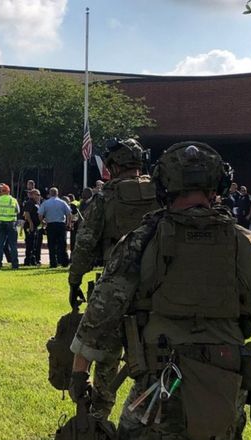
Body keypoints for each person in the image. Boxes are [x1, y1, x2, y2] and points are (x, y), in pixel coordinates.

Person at [69, 141, 251, 440]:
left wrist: (79, 375)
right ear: (219, 186)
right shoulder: (248, 243)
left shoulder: (141, 241)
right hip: (225, 385)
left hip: (160, 384)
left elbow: (99, 316)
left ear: (163, 185)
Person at [67, 138, 159, 417]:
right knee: (156, 351)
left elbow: (85, 243)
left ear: (113, 166)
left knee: (106, 351)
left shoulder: (106, 197)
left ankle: (99, 415)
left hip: (116, 282)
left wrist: (74, 280)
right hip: (159, 285)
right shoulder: (161, 193)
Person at [38, 187, 72, 268]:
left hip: (51, 225)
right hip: (61, 225)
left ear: (50, 193)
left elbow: (40, 214)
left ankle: (53, 263)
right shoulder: (62, 202)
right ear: (57, 193)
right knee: (62, 244)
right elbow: (69, 213)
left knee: (51, 245)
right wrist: (68, 223)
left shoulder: (46, 203)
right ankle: (64, 262)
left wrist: (43, 222)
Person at [0, 183, 20, 269]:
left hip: (0, 223)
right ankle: (15, 264)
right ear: (8, 191)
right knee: (13, 245)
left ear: (1, 191)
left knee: (0, 244)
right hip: (11, 223)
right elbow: (18, 211)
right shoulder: (13, 200)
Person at [22, 188, 42, 266]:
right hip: (30, 225)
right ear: (33, 195)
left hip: (35, 226)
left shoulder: (36, 203)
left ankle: (33, 260)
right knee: (30, 243)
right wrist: (30, 223)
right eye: (37, 195)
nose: (39, 196)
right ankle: (28, 260)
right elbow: (26, 213)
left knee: (34, 243)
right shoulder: (30, 202)